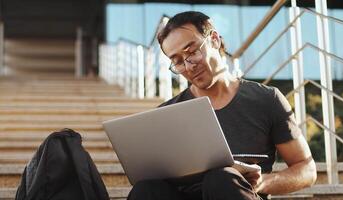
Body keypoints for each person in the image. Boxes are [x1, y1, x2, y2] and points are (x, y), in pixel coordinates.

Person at [128, 11, 317, 200]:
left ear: (215, 40)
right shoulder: (166, 114)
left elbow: (306, 169)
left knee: (221, 177)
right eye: (177, 61)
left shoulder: (267, 99)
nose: (189, 65)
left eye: (192, 51)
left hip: (235, 193)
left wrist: (263, 182)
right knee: (146, 190)